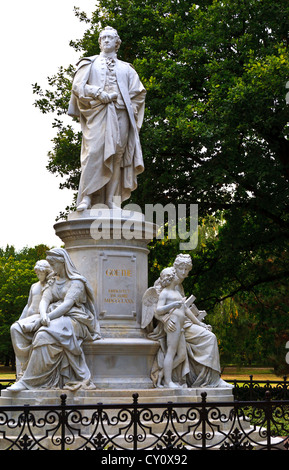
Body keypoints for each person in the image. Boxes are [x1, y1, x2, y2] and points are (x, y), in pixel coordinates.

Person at [68, 26, 146, 211]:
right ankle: (87, 197)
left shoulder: (126, 68)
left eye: (110, 38)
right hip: (98, 113)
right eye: (103, 38)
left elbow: (139, 92)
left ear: (117, 43)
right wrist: (98, 93)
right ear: (99, 41)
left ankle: (112, 200)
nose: (106, 40)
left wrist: (132, 107)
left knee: (117, 157)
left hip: (121, 114)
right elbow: (78, 87)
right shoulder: (89, 63)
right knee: (93, 153)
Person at [8, 249, 101, 391]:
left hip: (75, 319)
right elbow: (45, 300)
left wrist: (43, 320)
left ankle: (29, 381)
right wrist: (43, 315)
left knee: (43, 334)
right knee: (16, 329)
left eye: (53, 264)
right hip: (53, 315)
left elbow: (67, 305)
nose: (51, 268)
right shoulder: (53, 280)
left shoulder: (77, 282)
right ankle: (26, 369)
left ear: (62, 262)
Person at [11, 260, 53, 379]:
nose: (38, 275)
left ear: (46, 272)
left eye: (40, 273)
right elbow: (28, 305)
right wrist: (20, 320)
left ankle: (27, 368)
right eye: (37, 273)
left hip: (40, 318)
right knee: (15, 328)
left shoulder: (51, 285)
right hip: (28, 318)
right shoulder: (34, 286)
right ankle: (25, 363)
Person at [154, 267, 188, 388]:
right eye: (175, 275)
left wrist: (200, 324)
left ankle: (162, 374)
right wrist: (173, 304)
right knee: (171, 351)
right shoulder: (165, 292)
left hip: (180, 324)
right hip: (173, 323)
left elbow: (186, 309)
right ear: (171, 278)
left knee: (182, 354)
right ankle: (168, 381)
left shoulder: (177, 292)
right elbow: (158, 309)